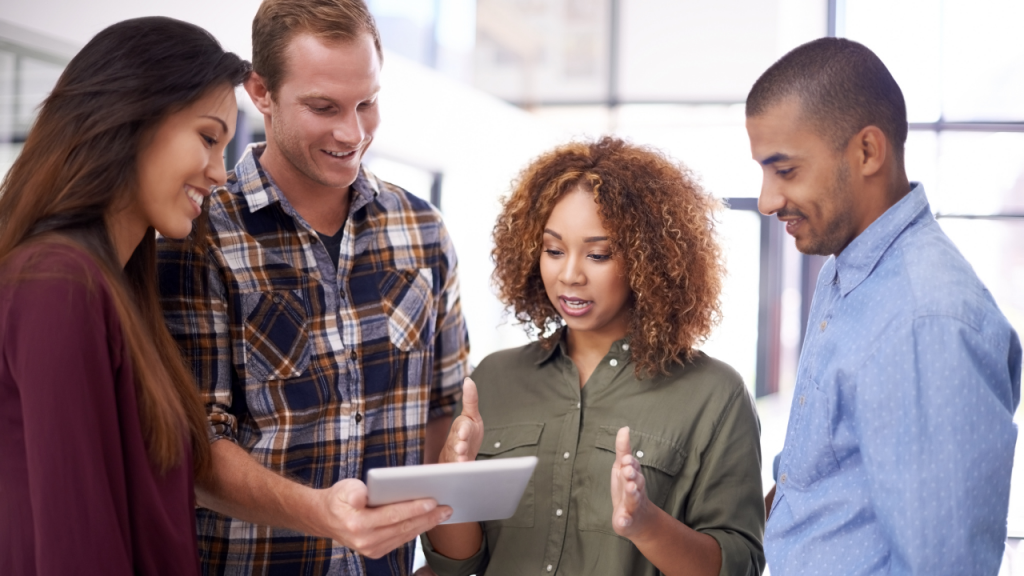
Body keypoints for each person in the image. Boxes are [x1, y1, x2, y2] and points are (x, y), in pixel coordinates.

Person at [156, 1, 470, 574]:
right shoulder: (197, 234)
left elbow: (443, 418)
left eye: (367, 103)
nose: (352, 132)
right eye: (323, 107)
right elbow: (194, 451)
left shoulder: (422, 230)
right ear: (261, 91)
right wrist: (322, 514)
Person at [420, 137, 765, 576]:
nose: (569, 275)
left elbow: (741, 567)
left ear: (649, 261)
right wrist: (455, 475)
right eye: (553, 250)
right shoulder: (494, 379)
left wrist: (645, 524)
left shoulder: (715, 395)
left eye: (599, 254)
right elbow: (457, 565)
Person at [747, 38, 1022, 575]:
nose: (766, 201)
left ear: (867, 152)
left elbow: (945, 568)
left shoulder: (927, 321)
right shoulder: (845, 270)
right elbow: (820, 481)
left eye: (786, 171)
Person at [0, 16, 249, 576]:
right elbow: (77, 547)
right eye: (208, 138)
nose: (220, 173)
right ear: (131, 117)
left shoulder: (114, 287)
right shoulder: (58, 284)